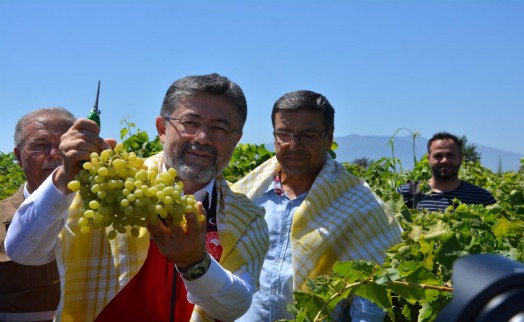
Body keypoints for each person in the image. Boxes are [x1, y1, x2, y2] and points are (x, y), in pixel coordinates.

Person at [5, 73, 269, 322]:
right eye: (190, 123)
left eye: (220, 129)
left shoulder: (246, 216)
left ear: (237, 139)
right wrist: (64, 177)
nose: (202, 138)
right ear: (162, 128)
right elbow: (23, 252)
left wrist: (195, 263)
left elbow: (234, 305)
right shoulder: (106, 183)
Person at [233, 90, 403, 322]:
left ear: (329, 136)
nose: (294, 145)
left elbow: (369, 300)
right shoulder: (249, 195)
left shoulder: (359, 204)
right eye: (284, 133)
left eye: (308, 135)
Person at [1, 107, 75, 322]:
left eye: (64, 146)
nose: (54, 154)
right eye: (40, 146)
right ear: (18, 156)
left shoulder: (102, 213)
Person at [397, 132, 496, 211]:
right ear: (428, 159)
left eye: (450, 155)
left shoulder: (483, 198)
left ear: (461, 158)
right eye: (438, 156)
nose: (444, 160)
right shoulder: (407, 193)